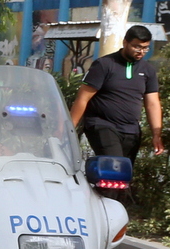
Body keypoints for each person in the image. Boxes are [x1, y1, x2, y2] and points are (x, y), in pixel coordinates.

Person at [67, 24, 164, 161]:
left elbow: (153, 104)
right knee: (115, 166)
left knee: (124, 176)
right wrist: (70, 130)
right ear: (125, 42)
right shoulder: (104, 65)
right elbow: (83, 98)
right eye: (136, 47)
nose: (141, 52)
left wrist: (156, 134)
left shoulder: (148, 70)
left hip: (131, 130)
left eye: (145, 48)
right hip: (103, 125)